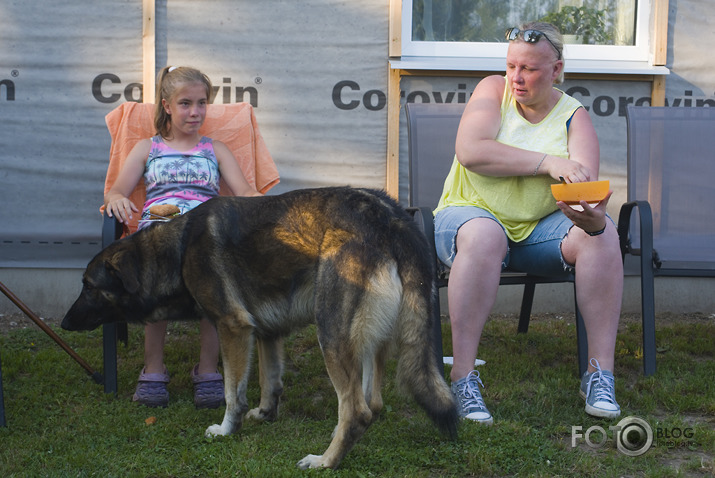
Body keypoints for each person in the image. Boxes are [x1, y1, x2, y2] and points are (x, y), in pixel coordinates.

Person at [433, 22, 623, 424]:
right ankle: (463, 377)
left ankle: (599, 374)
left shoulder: (574, 116)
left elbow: (583, 182)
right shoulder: (492, 91)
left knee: (603, 235)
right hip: (469, 214)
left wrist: (591, 216)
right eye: (511, 66)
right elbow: (471, 151)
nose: (516, 78)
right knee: (485, 235)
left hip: (538, 231)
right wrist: (547, 163)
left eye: (530, 69)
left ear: (556, 69)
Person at [104, 66, 262, 408]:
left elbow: (245, 191)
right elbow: (118, 189)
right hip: (158, 234)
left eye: (202, 103)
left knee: (212, 280)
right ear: (167, 106)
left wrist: (264, 204)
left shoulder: (215, 149)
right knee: (154, 280)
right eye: (186, 103)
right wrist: (115, 198)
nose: (195, 112)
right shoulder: (148, 148)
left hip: (204, 230)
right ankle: (154, 368)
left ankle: (207, 370)